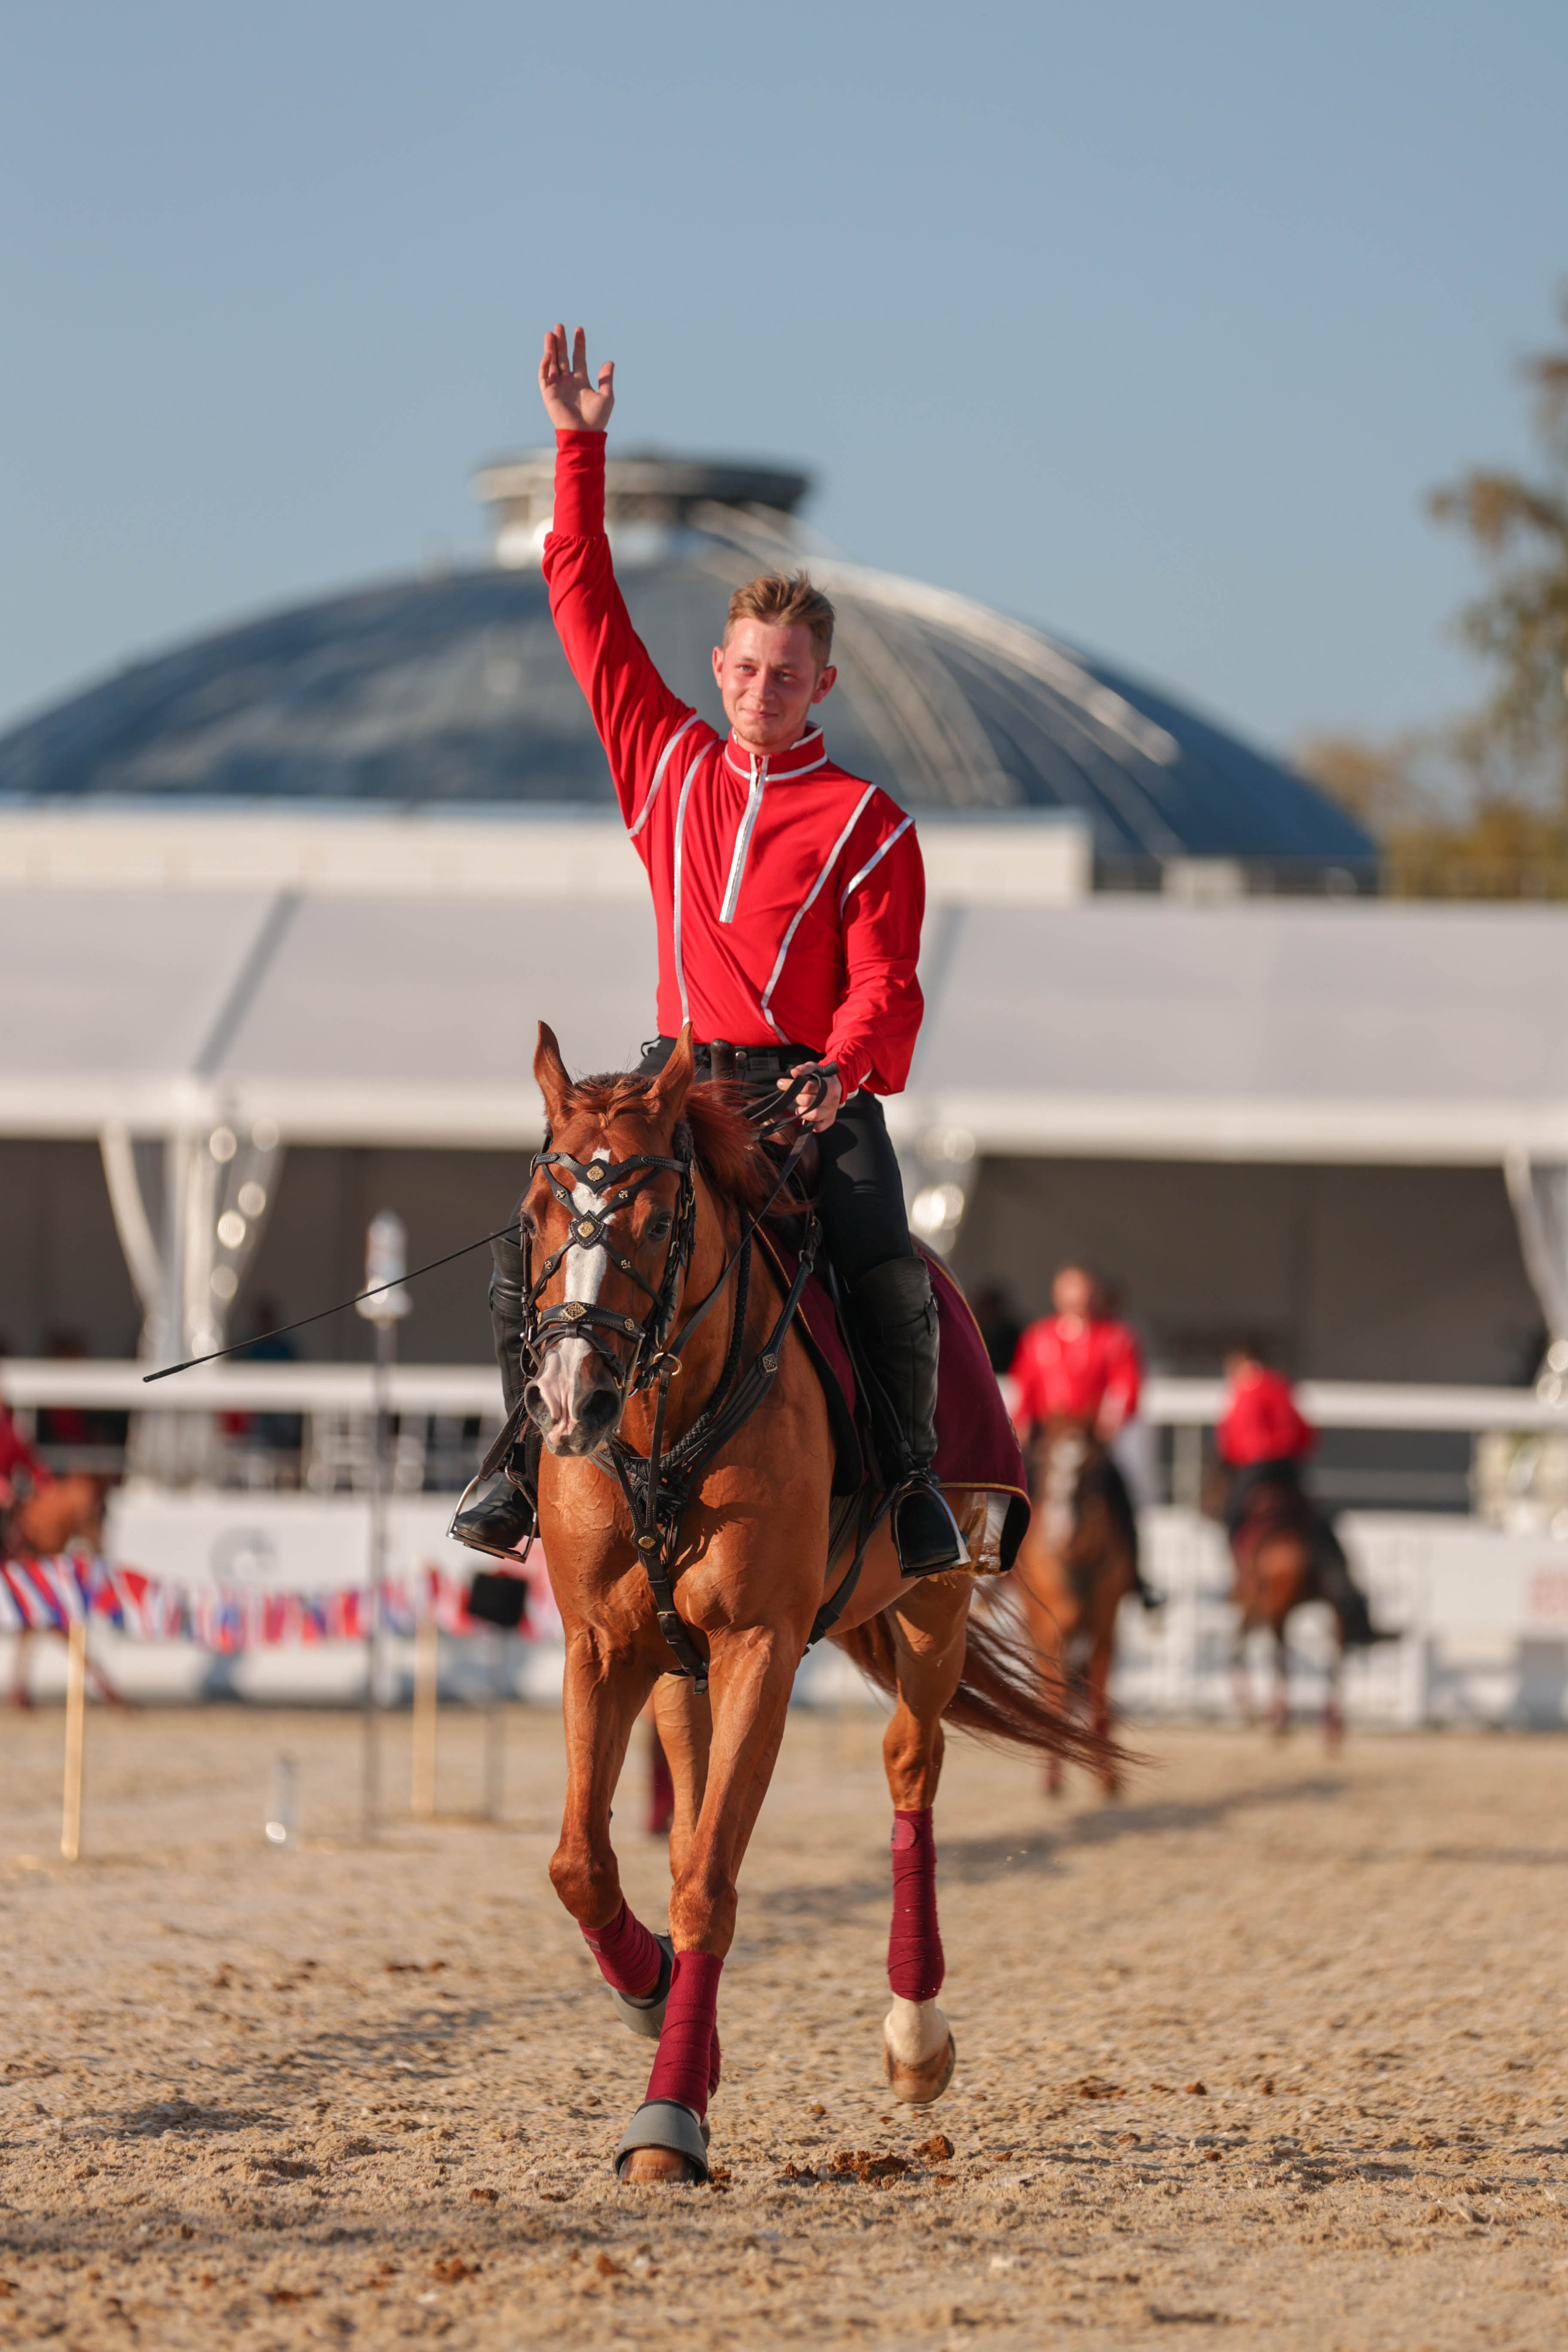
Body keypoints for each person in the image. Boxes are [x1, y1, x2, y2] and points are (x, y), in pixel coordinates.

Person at [452, 325, 967, 1578]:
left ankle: (907, 1489)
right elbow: (578, 588)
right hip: (679, 1081)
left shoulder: (866, 823)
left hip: (804, 1086)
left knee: (883, 1266)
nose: (760, 689)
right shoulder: (665, 764)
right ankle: (520, 1458)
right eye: (743, 669)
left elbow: (887, 981)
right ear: (718, 671)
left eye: (786, 675)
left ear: (821, 684)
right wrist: (581, 447)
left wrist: (840, 1070)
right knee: (543, 1232)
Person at [1008, 1264, 1160, 1611]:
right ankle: (1004, 1569)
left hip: (1091, 1441)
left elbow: (1126, 1387)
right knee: (1016, 1493)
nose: (1078, 1298)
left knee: (1119, 1495)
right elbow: (1026, 1386)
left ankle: (1135, 1574)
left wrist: (1109, 1425)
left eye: (1085, 1290)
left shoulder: (1116, 1337)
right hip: (1050, 1439)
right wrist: (1025, 1426)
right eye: (1071, 1290)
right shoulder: (1039, 1336)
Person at [1216, 1342, 1382, 1647]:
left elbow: (1231, 1439)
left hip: (1255, 1469)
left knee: (1231, 1518)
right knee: (1319, 1521)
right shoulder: (1284, 1387)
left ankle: (1241, 1583)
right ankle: (1348, 1594)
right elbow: (1306, 1432)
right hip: (1290, 1469)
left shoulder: (1244, 1392)